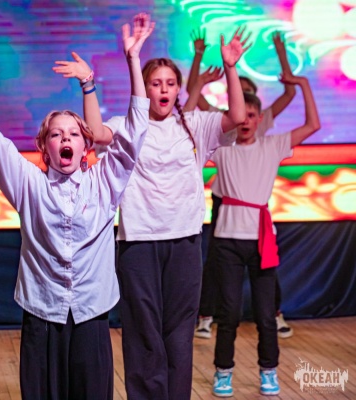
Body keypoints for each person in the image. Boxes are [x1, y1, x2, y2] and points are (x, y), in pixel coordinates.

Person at [0, 13, 152, 399]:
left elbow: (137, 130)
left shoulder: (104, 182)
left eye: (73, 133)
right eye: (56, 134)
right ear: (45, 146)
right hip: (42, 312)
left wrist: (131, 60)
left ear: (85, 145)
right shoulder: (29, 184)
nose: (65, 139)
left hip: (91, 312)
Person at [82, 25, 249, 399]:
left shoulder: (195, 124)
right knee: (143, 331)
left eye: (170, 83)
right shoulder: (128, 127)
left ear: (178, 90)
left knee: (178, 333)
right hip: (139, 242)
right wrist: (115, 68)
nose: (163, 89)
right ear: (144, 89)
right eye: (155, 83)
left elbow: (237, 116)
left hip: (185, 241)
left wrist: (231, 67)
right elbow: (93, 132)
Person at [209, 74, 320, 397]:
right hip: (227, 240)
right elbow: (190, 121)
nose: (246, 121)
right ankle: (223, 372)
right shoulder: (222, 147)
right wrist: (199, 81)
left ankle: (268, 371)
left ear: (260, 119)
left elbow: (312, 125)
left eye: (252, 115)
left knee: (266, 315)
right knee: (228, 313)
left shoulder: (272, 146)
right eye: (241, 115)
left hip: (261, 240)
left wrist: (303, 84)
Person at [188, 29, 297, 340]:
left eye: (249, 95)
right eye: (238, 93)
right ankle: (207, 315)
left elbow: (290, 93)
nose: (244, 114)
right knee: (217, 261)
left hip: (255, 199)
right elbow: (193, 96)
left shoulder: (263, 121)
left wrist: (281, 52)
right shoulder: (222, 121)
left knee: (265, 259)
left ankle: (274, 312)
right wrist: (198, 56)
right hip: (226, 200)